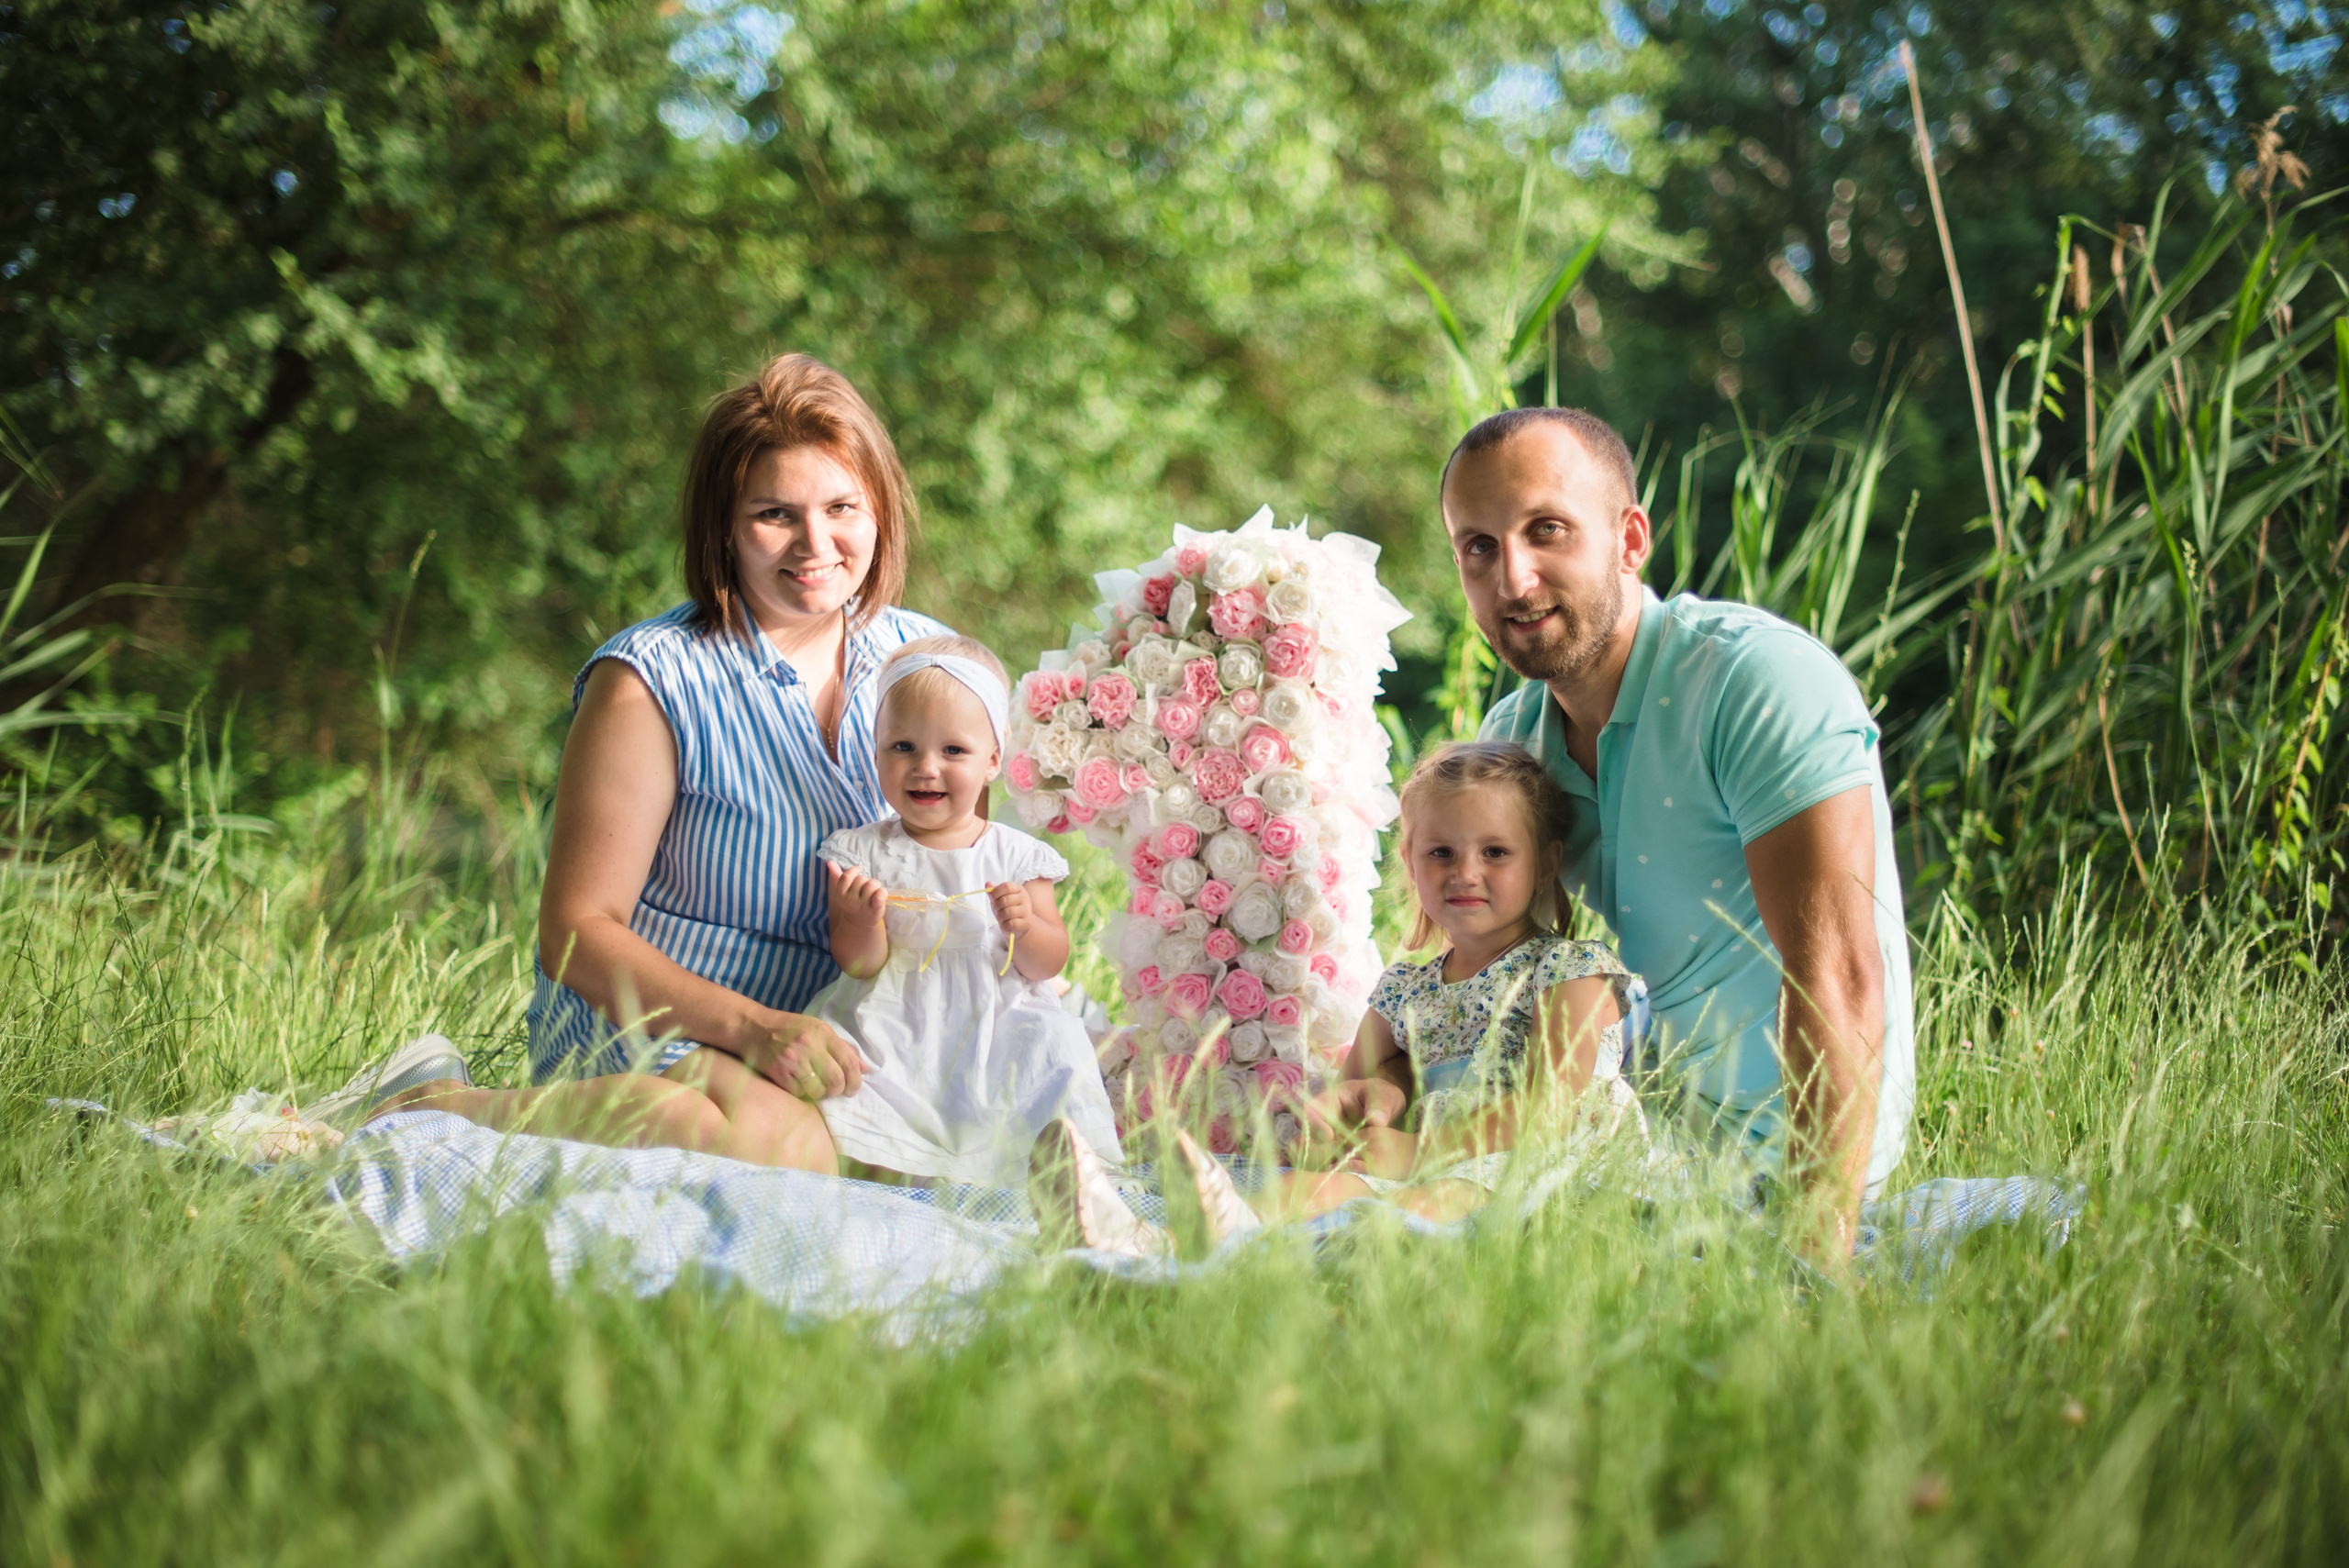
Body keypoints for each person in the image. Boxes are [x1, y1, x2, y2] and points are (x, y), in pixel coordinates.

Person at [318, 353, 953, 1170]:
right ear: (724, 527)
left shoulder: (927, 661)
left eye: (841, 507)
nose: (815, 543)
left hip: (840, 1036)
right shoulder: (651, 679)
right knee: (781, 1149)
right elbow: (577, 934)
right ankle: (428, 1106)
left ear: (880, 510)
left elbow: (962, 867)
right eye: (774, 514)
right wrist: (756, 1029)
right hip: (659, 1027)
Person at [1443, 406, 1915, 1259]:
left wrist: (1817, 1249)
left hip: (1805, 1155)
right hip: (1638, 1138)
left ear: (1630, 540)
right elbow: (1504, 987)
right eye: (1479, 546)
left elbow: (1841, 975)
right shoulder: (1512, 739)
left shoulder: (1756, 680)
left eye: (1547, 530)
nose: (1512, 579)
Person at [1027, 741, 1640, 1254]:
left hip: (1543, 1174)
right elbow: (1345, 1108)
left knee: (1433, 1200)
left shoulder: (1569, 971)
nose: (1466, 871)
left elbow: (1549, 1111)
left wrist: (1415, 1151)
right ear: (1411, 862)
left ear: (1545, 862)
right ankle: (1151, 1240)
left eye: (1496, 852)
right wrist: (1364, 1105)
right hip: (1437, 1170)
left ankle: (1226, 1242)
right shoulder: (1406, 989)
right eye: (1441, 853)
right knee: (1309, 1187)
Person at [808, 635, 1123, 1184]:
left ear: (993, 760)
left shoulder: (1016, 856)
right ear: (876, 752)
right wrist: (861, 922)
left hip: (997, 1023)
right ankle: (893, 1168)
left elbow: (1048, 962)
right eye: (902, 747)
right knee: (856, 1083)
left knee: (1054, 1041)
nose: (925, 768)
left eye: (953, 751)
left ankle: (1052, 1170)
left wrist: (1025, 927)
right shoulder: (861, 852)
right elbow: (858, 964)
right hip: (896, 1023)